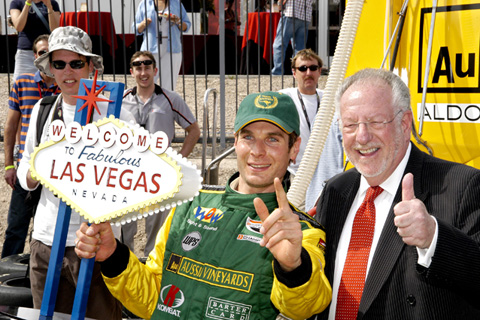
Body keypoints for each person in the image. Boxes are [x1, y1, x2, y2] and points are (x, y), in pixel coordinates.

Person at [75, 91, 332, 320]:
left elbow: (305, 308)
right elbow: (151, 299)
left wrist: (293, 268)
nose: (258, 150)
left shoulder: (300, 231)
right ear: (235, 142)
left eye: (273, 139)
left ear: (294, 148)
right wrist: (112, 255)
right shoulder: (189, 204)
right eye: (248, 137)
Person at [314, 68, 480, 319]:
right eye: (350, 124)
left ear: (405, 123)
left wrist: (434, 238)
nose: (362, 136)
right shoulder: (336, 191)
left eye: (375, 122)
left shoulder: (461, 186)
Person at [17, 26, 136, 319]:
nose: (68, 71)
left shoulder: (117, 113)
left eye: (76, 63)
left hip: (98, 244)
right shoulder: (42, 110)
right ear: (50, 69)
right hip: (46, 242)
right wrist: (38, 171)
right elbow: (25, 174)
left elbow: (134, 182)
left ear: (91, 66)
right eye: (59, 63)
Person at [121, 50, 200, 256]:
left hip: (159, 173)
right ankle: (123, 269)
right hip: (128, 172)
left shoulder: (170, 98)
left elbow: (193, 129)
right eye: (138, 67)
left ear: (155, 70)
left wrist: (179, 158)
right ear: (132, 72)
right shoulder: (121, 99)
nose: (143, 72)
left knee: (157, 231)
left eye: (147, 67)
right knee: (123, 227)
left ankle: (152, 272)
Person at [2, 34, 59, 258]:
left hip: (55, 173)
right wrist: (8, 165)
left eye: (49, 52)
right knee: (16, 227)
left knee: (47, 230)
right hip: (26, 167)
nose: (44, 56)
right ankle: (5, 279)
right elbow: (10, 126)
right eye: (41, 52)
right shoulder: (22, 83)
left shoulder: (67, 87)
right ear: (35, 57)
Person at [278, 48, 343, 211]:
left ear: (320, 71)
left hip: (328, 174)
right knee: (300, 218)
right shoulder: (284, 98)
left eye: (313, 68)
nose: (308, 72)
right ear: (294, 73)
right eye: (302, 68)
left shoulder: (329, 99)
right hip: (299, 173)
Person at [134, 0, 191, 91]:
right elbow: (135, 29)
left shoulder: (176, 3)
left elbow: (187, 25)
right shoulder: (144, 4)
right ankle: (149, 104)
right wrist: (143, 24)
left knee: (169, 85)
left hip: (172, 48)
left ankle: (166, 104)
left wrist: (177, 21)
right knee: (148, 81)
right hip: (150, 49)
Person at [9, 0, 60, 81]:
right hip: (25, 52)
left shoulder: (52, 3)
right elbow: (19, 27)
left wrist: (49, 8)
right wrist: (27, 4)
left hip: (46, 52)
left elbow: (55, 30)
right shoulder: (17, 3)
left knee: (48, 85)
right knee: (21, 83)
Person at [271, 0, 312, 75]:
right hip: (305, 16)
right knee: (299, 48)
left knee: (279, 45)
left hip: (290, 12)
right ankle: (298, 72)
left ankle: (277, 72)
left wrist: (279, 4)